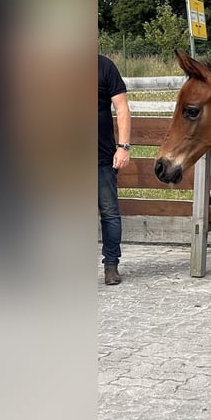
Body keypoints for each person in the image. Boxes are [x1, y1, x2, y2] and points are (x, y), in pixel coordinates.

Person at [98, 54, 131, 284]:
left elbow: (122, 108)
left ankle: (111, 266)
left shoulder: (105, 67)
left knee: (109, 213)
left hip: (101, 156)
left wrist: (123, 147)